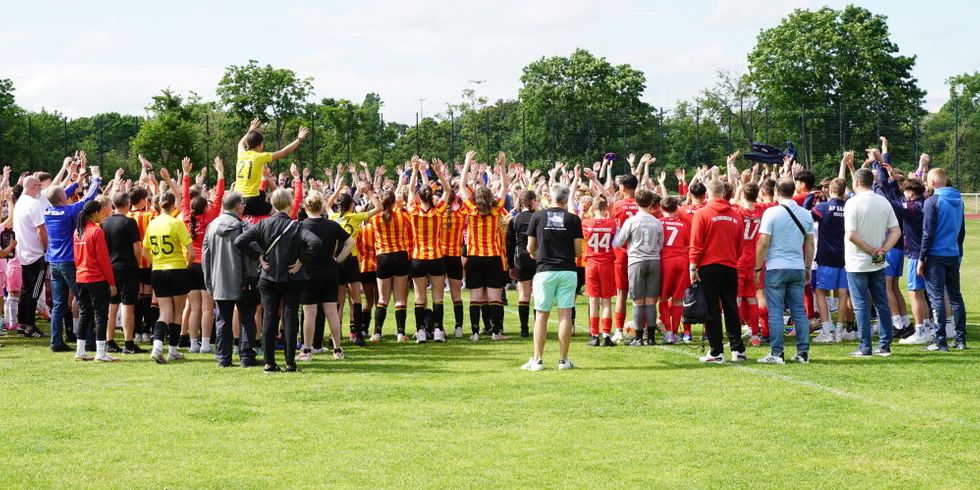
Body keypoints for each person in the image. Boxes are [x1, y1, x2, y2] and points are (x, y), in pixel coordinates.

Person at [235, 188, 322, 372]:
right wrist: (301, 260)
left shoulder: (263, 224)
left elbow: (240, 241)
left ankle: (269, 362)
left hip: (268, 275)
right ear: (289, 204)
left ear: (272, 203)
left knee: (269, 317)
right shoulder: (296, 226)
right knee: (290, 317)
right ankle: (290, 362)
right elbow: (316, 243)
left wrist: (258, 255)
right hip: (293, 277)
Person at [522, 184, 583, 371]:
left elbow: (530, 247)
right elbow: (578, 251)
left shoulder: (538, 216)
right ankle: (563, 360)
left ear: (550, 197)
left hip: (545, 270)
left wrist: (536, 255)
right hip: (567, 270)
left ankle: (537, 360)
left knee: (541, 315)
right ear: (566, 199)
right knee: (565, 315)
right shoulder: (573, 218)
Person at [755, 178, 815, 364]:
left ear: (776, 192)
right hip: (797, 265)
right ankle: (803, 352)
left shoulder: (771, 212)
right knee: (799, 311)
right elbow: (810, 244)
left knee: (775, 312)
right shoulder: (805, 213)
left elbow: (763, 242)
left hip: (776, 267)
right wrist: (807, 266)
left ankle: (777, 353)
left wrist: (757, 267)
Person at [843, 168, 901, 357]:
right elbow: (896, 231)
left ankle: (865, 346)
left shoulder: (852, 203)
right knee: (881, 304)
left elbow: (851, 235)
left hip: (857, 261)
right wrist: (883, 250)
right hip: (878, 260)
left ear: (856, 182)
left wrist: (870, 250)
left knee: (861, 305)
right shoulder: (883, 201)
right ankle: (884, 345)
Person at [43, 171, 102, 352]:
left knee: (58, 304)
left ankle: (56, 341)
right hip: (69, 261)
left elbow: (58, 196)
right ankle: (89, 341)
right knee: (84, 301)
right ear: (63, 198)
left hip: (53, 262)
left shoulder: (48, 210)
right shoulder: (68, 212)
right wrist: (96, 178)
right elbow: (89, 200)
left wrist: (77, 182)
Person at [690, 179, 746, 363]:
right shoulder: (736, 215)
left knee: (712, 309)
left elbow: (696, 243)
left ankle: (716, 352)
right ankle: (738, 350)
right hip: (729, 266)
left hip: (709, 266)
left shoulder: (702, 213)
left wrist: (693, 266)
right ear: (723, 193)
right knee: (731, 307)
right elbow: (740, 245)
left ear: (707, 193)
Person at [202, 191, 261, 368]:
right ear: (237, 207)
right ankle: (246, 356)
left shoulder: (211, 226)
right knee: (247, 319)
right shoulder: (243, 227)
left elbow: (206, 258)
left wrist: (209, 282)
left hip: (220, 280)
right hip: (243, 280)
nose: (244, 207)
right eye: (242, 204)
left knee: (222, 320)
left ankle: (223, 357)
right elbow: (254, 252)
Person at [458, 151, 510, 342]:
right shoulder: (496, 211)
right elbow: (505, 187)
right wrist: (502, 166)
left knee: (475, 298)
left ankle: (475, 333)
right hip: (493, 258)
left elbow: (462, 185)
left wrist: (466, 163)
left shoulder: (471, 210)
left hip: (474, 258)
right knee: (495, 298)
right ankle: (496, 332)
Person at [297, 190, 352, 361]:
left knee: (309, 313)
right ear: (322, 207)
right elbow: (350, 242)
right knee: (332, 312)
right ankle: (337, 349)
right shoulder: (332, 225)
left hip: (309, 272)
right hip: (330, 271)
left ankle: (307, 350)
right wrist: (338, 259)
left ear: (306, 207)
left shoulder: (300, 226)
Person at [918, 168, 967, 351]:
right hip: (953, 254)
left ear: (931, 182)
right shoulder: (959, 201)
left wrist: (921, 258)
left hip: (936, 256)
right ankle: (961, 340)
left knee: (936, 297)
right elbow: (961, 232)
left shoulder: (932, 201)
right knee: (955, 297)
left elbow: (928, 233)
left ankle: (940, 341)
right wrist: (958, 253)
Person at [143, 191, 194, 364]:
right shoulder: (176, 223)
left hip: (158, 271)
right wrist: (186, 266)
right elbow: (191, 253)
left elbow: (145, 253)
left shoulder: (153, 224)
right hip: (177, 269)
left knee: (164, 312)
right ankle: (172, 351)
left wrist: (156, 262)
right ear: (173, 206)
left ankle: (157, 347)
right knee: (178, 313)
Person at [179, 157, 225, 354]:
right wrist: (220, 173)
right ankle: (205, 343)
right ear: (206, 207)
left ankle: (193, 343)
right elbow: (219, 197)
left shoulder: (186, 216)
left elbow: (183, 197)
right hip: (206, 265)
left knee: (194, 307)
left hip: (189, 266)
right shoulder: (210, 217)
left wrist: (186, 175)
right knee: (207, 308)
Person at [407, 159, 451, 343]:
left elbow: (410, 191)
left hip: (418, 257)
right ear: (432, 196)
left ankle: (421, 332)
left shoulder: (413, 210)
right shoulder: (438, 211)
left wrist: (415, 171)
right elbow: (447, 190)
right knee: (438, 297)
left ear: (420, 197)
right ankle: (438, 330)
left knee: (419, 297)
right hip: (436, 257)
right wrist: (439, 173)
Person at [614, 188, 664, 346]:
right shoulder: (657, 222)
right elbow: (661, 244)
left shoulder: (631, 221)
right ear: (651, 203)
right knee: (651, 301)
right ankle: (651, 337)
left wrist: (617, 231)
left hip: (636, 261)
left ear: (636, 202)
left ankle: (638, 337)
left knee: (637, 300)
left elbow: (618, 242)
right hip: (654, 260)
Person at [73, 199, 119, 362]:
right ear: (95, 212)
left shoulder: (78, 232)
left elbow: (76, 257)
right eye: (101, 211)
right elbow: (104, 260)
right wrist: (111, 282)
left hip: (81, 277)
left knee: (85, 313)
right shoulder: (97, 231)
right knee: (100, 314)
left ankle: (80, 351)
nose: (103, 215)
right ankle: (100, 353)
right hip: (96, 278)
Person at [235, 118, 308, 217]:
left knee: (262, 194)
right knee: (279, 215)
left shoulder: (241, 153)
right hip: (251, 199)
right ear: (260, 145)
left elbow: (240, 143)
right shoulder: (260, 156)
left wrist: (251, 129)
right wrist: (299, 139)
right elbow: (284, 151)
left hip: (238, 199)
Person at [101, 191, 144, 354]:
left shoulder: (105, 223)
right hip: (127, 268)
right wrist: (138, 263)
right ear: (127, 205)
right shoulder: (129, 222)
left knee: (112, 305)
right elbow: (137, 248)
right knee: (128, 305)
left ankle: (109, 340)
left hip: (111, 267)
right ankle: (128, 342)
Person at [368, 189, 413, 342]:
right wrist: (400, 205)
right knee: (400, 298)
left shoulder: (375, 218)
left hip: (383, 257)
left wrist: (369, 194)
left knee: (382, 298)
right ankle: (400, 333)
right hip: (400, 255)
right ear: (394, 202)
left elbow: (374, 210)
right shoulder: (401, 215)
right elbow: (410, 226)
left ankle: (377, 333)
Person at [811, 177, 852, 343]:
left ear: (830, 190)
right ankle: (839, 332)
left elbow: (806, 215)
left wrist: (811, 197)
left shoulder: (823, 207)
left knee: (820, 292)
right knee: (843, 293)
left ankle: (827, 331)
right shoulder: (849, 206)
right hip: (846, 255)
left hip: (827, 255)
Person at [14, 176, 51, 340]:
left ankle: (22, 324)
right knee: (33, 292)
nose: (40, 189)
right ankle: (29, 326)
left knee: (26, 290)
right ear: (32, 186)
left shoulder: (20, 202)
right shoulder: (34, 204)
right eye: (39, 186)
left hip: (24, 252)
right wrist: (46, 248)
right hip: (36, 253)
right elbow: (41, 229)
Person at [581, 193, 617, 346]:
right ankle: (606, 335)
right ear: (605, 208)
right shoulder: (611, 223)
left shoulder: (587, 223)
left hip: (592, 263)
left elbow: (578, 222)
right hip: (607, 263)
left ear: (593, 207)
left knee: (593, 301)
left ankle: (595, 335)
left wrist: (583, 210)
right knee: (606, 301)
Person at [609, 174, 639, 342]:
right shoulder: (642, 205)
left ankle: (619, 330)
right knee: (638, 294)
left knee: (621, 292)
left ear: (623, 187)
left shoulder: (618, 205)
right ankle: (639, 330)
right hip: (639, 253)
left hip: (621, 252)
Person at [657, 196, 691, 344]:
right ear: (676, 208)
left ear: (661, 209)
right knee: (678, 299)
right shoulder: (684, 224)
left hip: (666, 260)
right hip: (682, 260)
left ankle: (669, 332)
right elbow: (688, 245)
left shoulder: (658, 223)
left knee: (663, 298)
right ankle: (675, 333)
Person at [507, 190, 538, 338]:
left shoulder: (515, 219)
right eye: (536, 200)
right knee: (538, 295)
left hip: (521, 258)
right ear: (531, 201)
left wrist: (510, 266)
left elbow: (509, 244)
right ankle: (538, 326)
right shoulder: (538, 217)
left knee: (523, 295)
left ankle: (524, 328)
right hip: (537, 257)